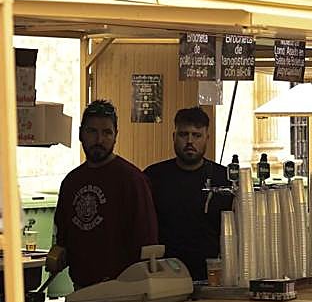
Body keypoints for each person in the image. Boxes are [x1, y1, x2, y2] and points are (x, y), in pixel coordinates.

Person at [50, 99, 157, 289]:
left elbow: (146, 241)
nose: (99, 140)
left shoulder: (132, 180)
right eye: (92, 132)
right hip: (81, 289)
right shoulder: (71, 182)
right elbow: (62, 240)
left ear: (116, 136)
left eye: (107, 132)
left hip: (124, 290)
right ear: (81, 134)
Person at [144, 108, 233, 281]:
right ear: (174, 137)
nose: (190, 141)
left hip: (212, 276)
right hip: (165, 276)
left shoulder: (224, 179)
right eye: (184, 134)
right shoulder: (153, 177)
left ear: (207, 138)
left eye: (196, 135)